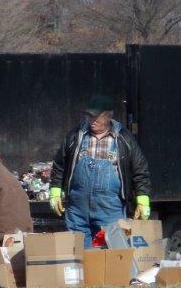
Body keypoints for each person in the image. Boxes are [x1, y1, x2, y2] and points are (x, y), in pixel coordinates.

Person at [49, 95, 151, 248]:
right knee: (78, 253)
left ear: (109, 116)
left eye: (96, 116)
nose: (92, 120)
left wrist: (143, 199)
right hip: (77, 209)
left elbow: (140, 169)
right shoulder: (75, 136)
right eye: (89, 116)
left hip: (110, 209)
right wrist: (55, 191)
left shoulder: (124, 139)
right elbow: (59, 165)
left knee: (113, 252)